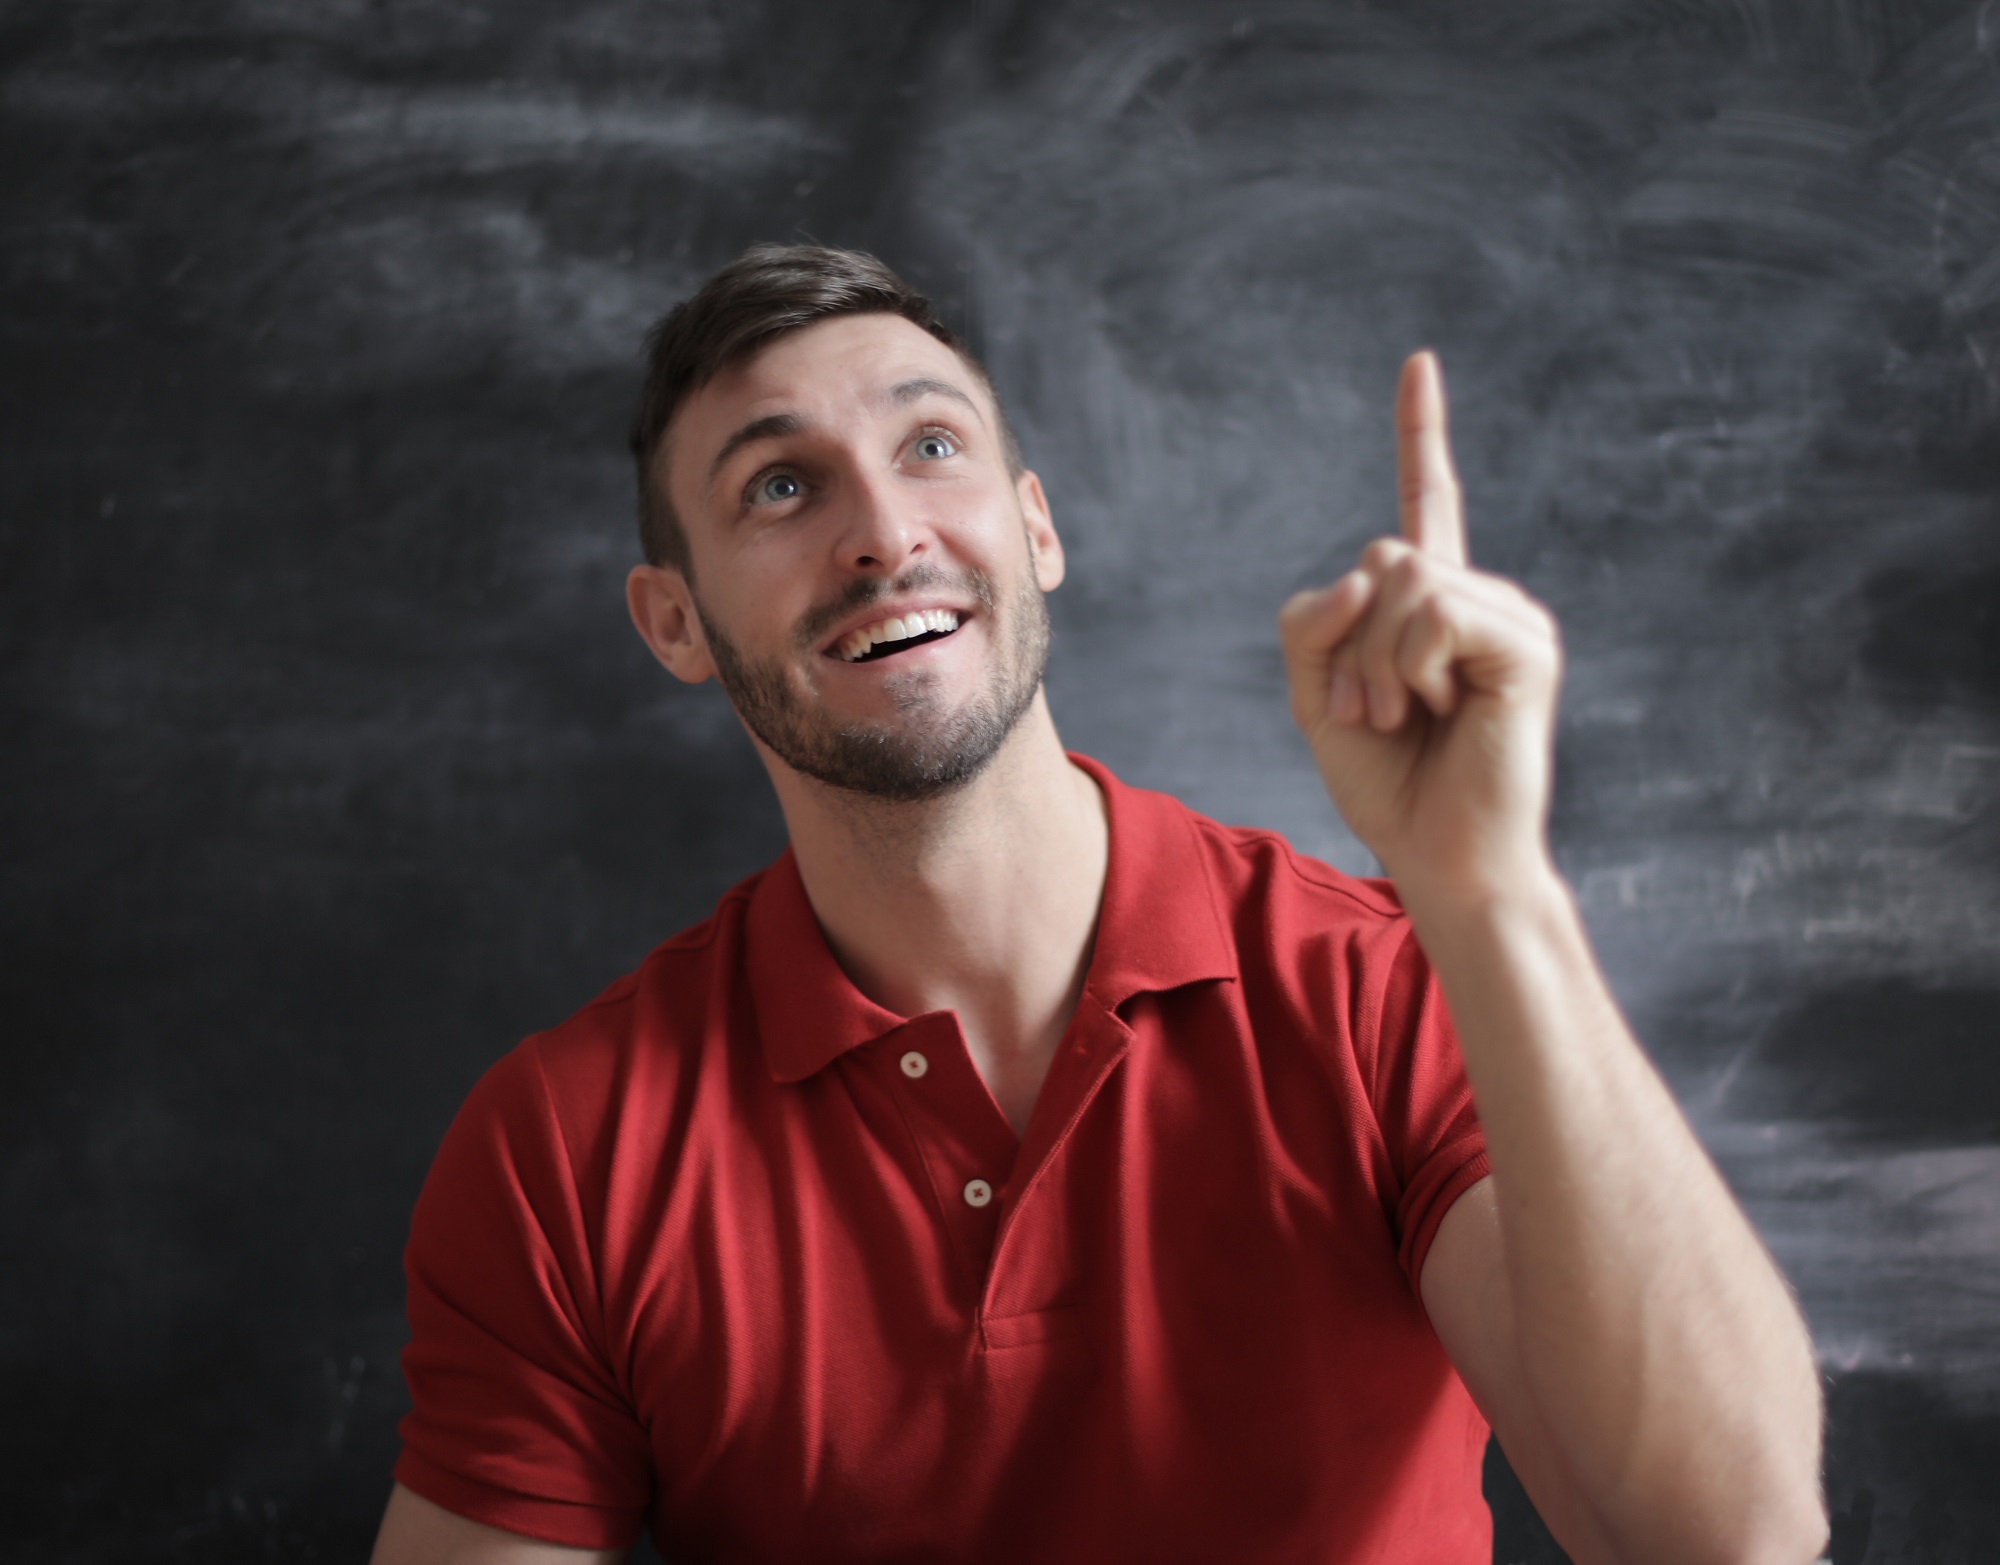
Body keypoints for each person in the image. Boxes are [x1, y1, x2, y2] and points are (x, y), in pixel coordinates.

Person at [370, 245, 1828, 1564]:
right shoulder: (562, 1150)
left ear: (1037, 531)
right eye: (783, 485)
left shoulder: (1392, 987)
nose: (884, 533)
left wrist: (1494, 891)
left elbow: (1727, 1537)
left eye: (931, 445)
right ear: (675, 622)